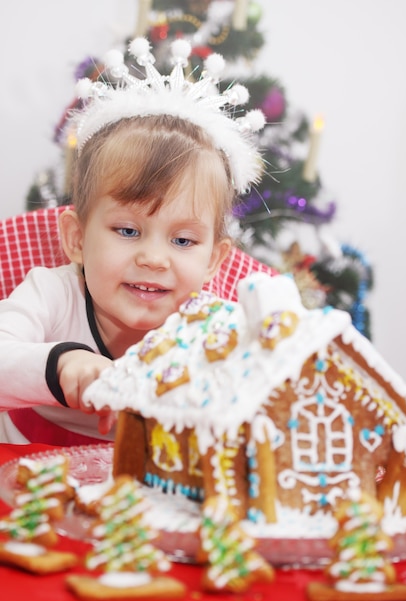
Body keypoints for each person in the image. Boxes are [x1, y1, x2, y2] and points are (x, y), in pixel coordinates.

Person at [0, 37, 268, 446]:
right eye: (128, 231)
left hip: (149, 495)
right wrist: (62, 363)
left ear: (214, 260)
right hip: (28, 479)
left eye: (182, 240)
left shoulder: (213, 328)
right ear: (76, 239)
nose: (154, 258)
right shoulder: (54, 294)